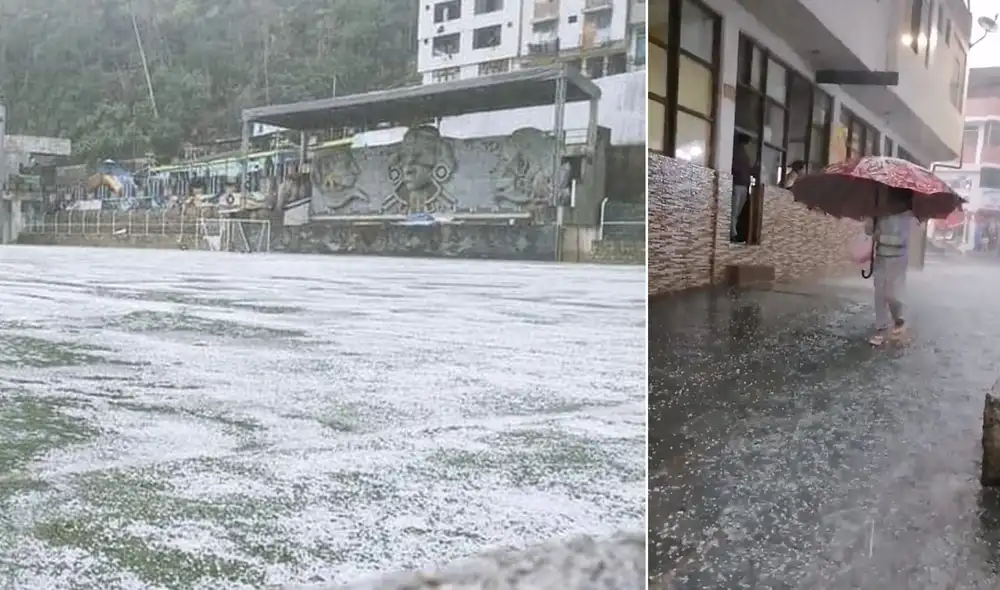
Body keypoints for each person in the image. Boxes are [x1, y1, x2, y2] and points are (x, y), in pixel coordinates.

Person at [866, 186, 914, 346]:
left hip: (898, 258)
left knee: (892, 294)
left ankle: (899, 318)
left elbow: (901, 239)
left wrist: (880, 235)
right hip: (881, 256)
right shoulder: (880, 211)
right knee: (879, 293)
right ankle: (880, 328)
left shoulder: (907, 215)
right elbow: (868, 232)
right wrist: (871, 219)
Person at [731, 133, 754, 240]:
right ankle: (732, 233)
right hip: (738, 183)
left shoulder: (743, 153)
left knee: (736, 211)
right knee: (735, 210)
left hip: (742, 184)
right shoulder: (737, 151)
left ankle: (733, 232)